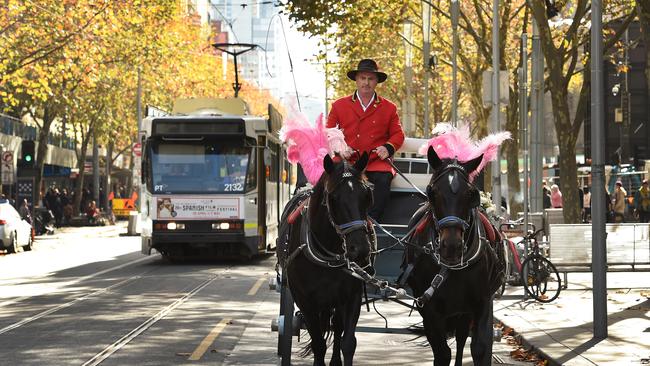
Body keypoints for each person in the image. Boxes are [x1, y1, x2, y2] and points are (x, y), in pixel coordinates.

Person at [326, 58, 405, 221]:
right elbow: (328, 132)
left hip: (375, 161)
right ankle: (334, 221)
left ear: (377, 82)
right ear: (356, 80)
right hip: (347, 160)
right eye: (363, 78)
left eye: (371, 79)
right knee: (331, 181)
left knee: (384, 179)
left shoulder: (389, 107)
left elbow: (398, 134)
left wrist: (388, 148)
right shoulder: (338, 105)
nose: (366, 83)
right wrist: (340, 148)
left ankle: (371, 222)